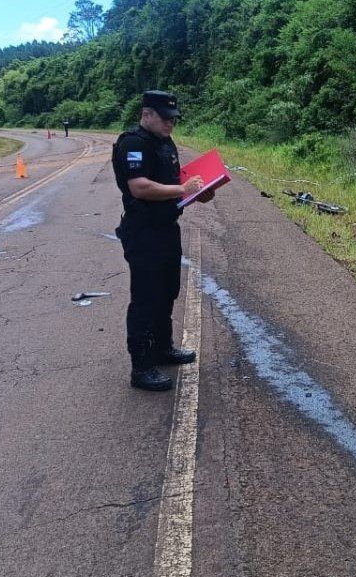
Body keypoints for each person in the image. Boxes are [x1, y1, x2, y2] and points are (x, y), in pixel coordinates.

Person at [111, 89, 212, 391]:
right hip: (143, 232)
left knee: (167, 291)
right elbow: (140, 187)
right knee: (146, 298)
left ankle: (162, 348)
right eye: (165, 118)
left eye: (173, 119)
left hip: (167, 227)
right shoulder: (133, 144)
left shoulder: (165, 142)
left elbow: (174, 184)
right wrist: (183, 189)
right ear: (147, 114)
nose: (171, 123)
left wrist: (198, 192)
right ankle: (141, 367)